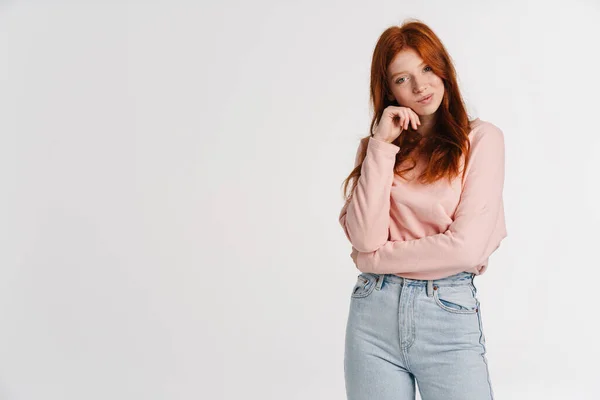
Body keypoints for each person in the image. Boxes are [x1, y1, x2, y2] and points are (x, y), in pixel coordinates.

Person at [338, 20, 506, 400]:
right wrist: (381, 144)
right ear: (389, 90)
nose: (420, 86)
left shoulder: (480, 140)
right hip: (372, 318)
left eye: (427, 68)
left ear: (443, 67)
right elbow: (365, 236)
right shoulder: (378, 149)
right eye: (402, 79)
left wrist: (375, 259)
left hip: (446, 312)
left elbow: (466, 249)